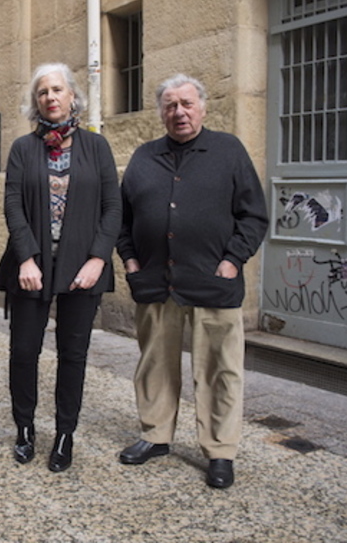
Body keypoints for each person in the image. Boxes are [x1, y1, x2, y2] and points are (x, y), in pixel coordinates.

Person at [116, 74, 268, 489]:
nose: (178, 112)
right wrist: (130, 260)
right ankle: (155, 435)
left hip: (213, 282)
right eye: (169, 105)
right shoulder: (145, 156)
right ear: (161, 111)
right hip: (155, 282)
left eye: (186, 103)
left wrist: (233, 261)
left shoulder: (228, 151)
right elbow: (122, 218)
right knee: (154, 365)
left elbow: (253, 215)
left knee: (221, 370)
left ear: (202, 107)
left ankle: (220, 449)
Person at [0, 63, 121, 472]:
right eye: (42, 91)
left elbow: (112, 207)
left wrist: (98, 259)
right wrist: (26, 257)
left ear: (72, 97)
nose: (50, 97)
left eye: (57, 89)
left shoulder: (96, 147)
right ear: (36, 101)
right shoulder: (22, 149)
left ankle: (65, 434)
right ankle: (25, 429)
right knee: (24, 352)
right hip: (31, 265)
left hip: (82, 267)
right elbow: (12, 204)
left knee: (73, 354)